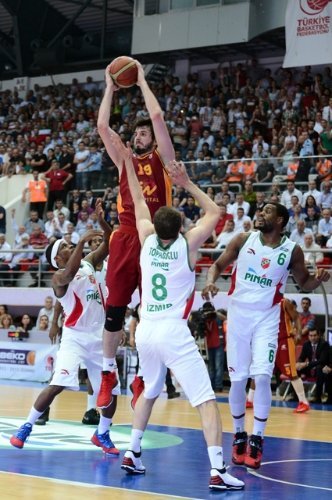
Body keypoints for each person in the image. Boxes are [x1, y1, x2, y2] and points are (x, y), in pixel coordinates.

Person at [117, 144, 244, 490]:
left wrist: (128, 164)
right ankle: (218, 470)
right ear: (181, 225)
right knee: (205, 400)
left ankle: (132, 451)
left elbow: (137, 200)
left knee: (152, 389)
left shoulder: (144, 238)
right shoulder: (186, 245)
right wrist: (186, 183)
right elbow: (216, 212)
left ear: (155, 226)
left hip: (145, 330)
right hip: (172, 331)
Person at [202, 202, 330, 469]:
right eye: (260, 210)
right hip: (238, 318)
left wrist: (319, 279)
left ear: (281, 220)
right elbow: (217, 265)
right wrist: (211, 281)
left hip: (267, 320)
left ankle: (257, 439)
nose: (260, 214)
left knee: (261, 376)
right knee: (237, 381)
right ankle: (239, 434)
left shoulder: (291, 250)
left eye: (268, 211)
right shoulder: (242, 239)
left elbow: (304, 282)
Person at [10, 201, 121, 454]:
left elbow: (109, 242)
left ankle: (102, 433)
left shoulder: (89, 263)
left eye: (71, 245)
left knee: (110, 390)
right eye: (66, 247)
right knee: (58, 383)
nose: (71, 247)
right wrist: (80, 243)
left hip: (100, 337)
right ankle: (26, 426)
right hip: (75, 337)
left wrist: (102, 221)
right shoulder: (58, 277)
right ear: (57, 258)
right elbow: (70, 275)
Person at [96, 60, 175, 409]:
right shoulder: (124, 159)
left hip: (157, 239)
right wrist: (111, 87)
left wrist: (141, 81)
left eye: (144, 134)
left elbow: (157, 118)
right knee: (114, 312)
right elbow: (101, 125)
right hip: (125, 235)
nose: (139, 135)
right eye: (137, 133)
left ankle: (144, 374)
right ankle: (107, 373)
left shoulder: (164, 161)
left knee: (151, 314)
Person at [296, 328, 330, 404]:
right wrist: (299, 363)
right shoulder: (306, 344)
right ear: (308, 336)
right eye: (311, 335)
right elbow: (302, 357)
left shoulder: (324, 344)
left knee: (319, 369)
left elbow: (322, 360)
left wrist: (307, 364)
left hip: (321, 368)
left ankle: (318, 398)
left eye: (315, 335)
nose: (313, 337)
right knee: (296, 370)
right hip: (310, 368)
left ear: (319, 335)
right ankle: (296, 397)